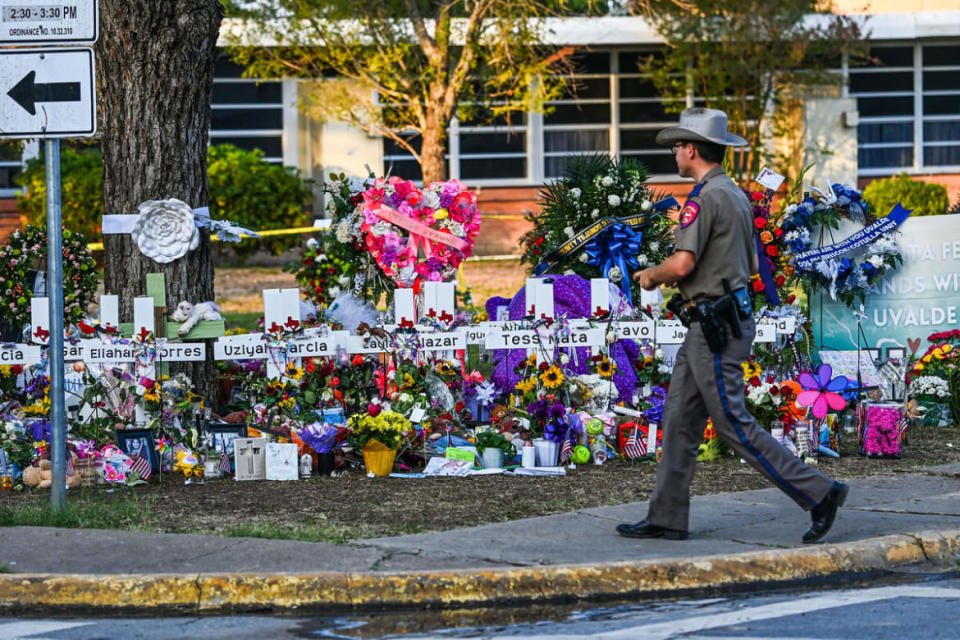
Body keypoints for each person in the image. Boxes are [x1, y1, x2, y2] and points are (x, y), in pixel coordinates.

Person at [617, 107, 848, 544]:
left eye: (676, 147)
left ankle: (820, 493)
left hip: (715, 327)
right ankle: (666, 516)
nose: (674, 154)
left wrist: (650, 275)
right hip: (714, 323)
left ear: (690, 149)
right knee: (680, 420)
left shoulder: (705, 198)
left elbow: (683, 264)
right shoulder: (734, 193)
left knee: (733, 425)